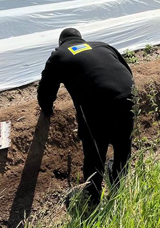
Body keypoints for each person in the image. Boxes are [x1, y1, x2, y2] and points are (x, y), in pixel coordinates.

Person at [37, 28, 134, 206]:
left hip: (97, 104)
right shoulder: (103, 46)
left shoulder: (59, 55)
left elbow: (46, 88)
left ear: (61, 43)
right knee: (123, 143)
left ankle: (92, 198)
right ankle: (119, 183)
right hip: (126, 95)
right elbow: (126, 69)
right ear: (81, 39)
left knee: (95, 151)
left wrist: (46, 108)